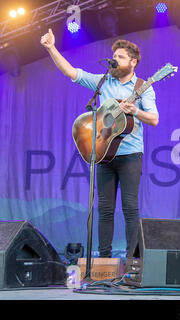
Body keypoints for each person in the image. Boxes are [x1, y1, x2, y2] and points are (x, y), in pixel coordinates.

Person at [40, 29, 159, 258]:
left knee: (130, 208)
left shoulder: (143, 87)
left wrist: (135, 110)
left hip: (130, 154)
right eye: (114, 56)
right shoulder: (103, 82)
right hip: (103, 153)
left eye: (121, 57)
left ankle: (133, 262)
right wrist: (50, 48)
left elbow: (154, 118)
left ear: (133, 62)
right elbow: (71, 72)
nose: (115, 60)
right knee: (104, 210)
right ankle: (104, 261)